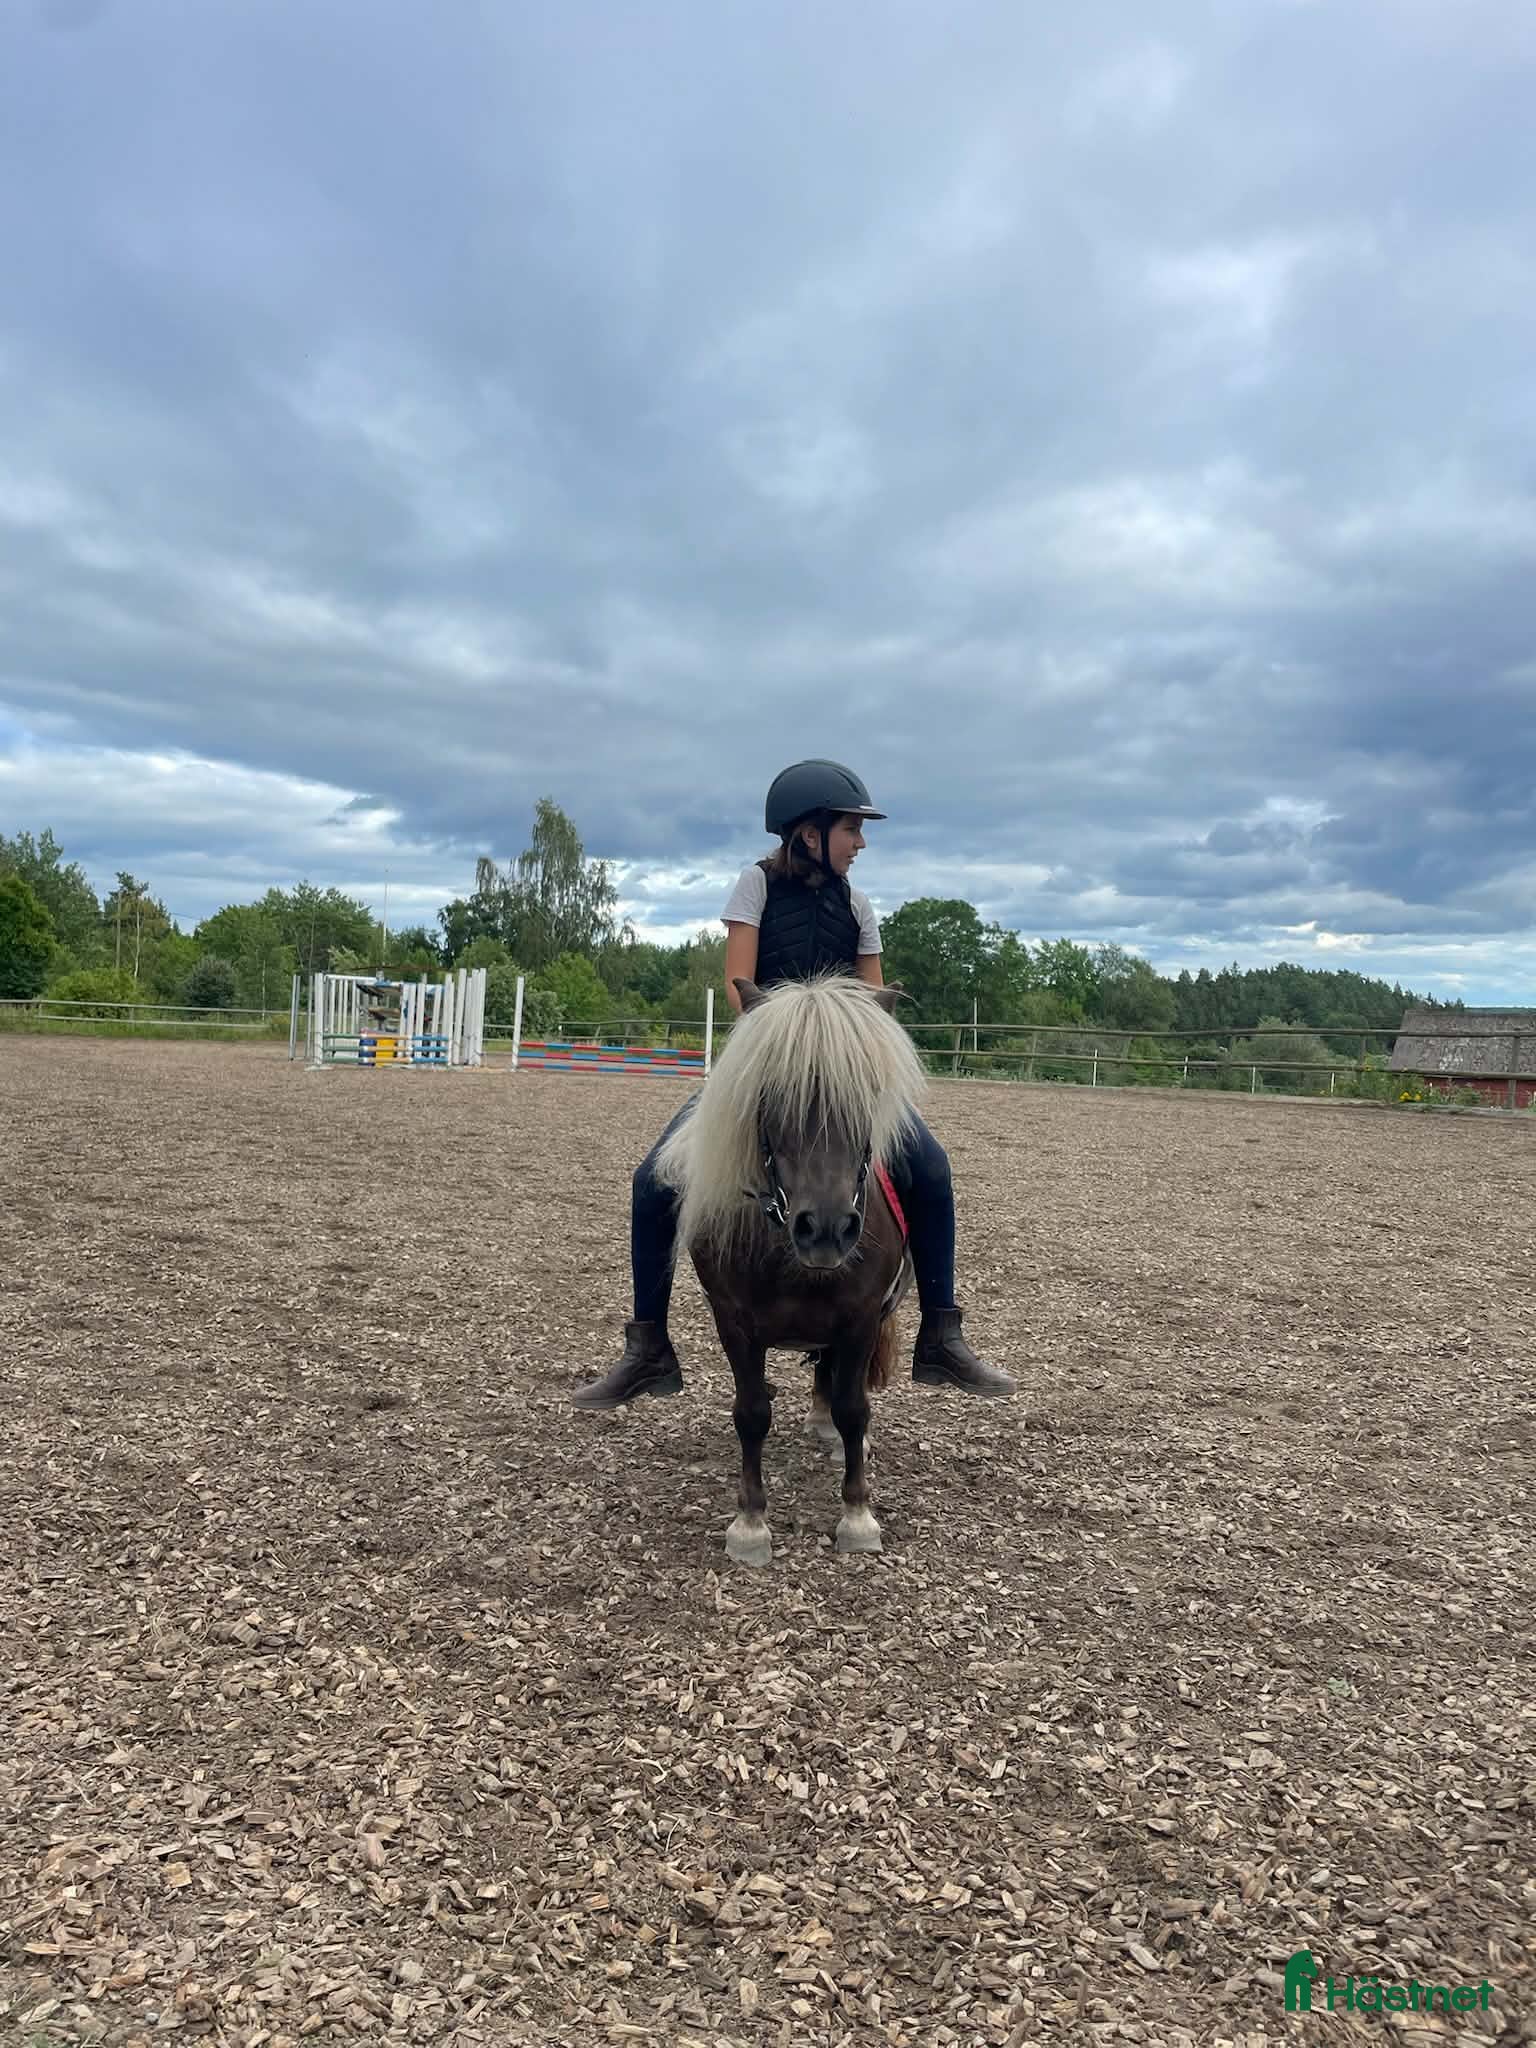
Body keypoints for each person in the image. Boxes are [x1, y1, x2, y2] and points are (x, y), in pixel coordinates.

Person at [572, 758, 1016, 1408]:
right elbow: (738, 982)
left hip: (839, 1071)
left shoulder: (859, 907)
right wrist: (783, 1036)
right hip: (764, 1062)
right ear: (810, 833)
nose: (861, 843)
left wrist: (848, 1044)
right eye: (851, 830)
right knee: (653, 1180)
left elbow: (870, 998)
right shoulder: (753, 887)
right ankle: (648, 1347)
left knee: (932, 1167)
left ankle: (940, 1336)